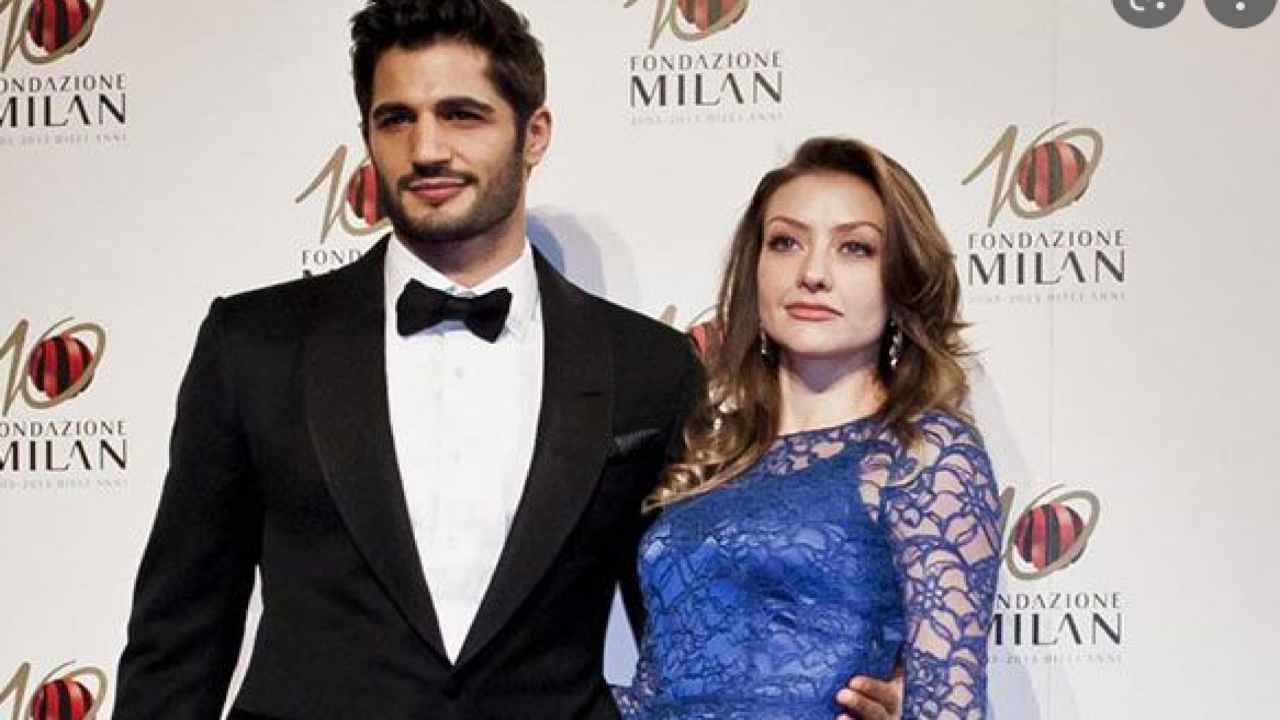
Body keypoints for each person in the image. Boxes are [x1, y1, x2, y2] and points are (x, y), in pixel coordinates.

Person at [112, 1, 901, 717]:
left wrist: (875, 695)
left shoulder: (649, 367)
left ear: (535, 134)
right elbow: (178, 639)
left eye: (462, 115)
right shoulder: (255, 343)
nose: (427, 149)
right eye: (396, 119)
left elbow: (698, 629)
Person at [612, 138, 1002, 719]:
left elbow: (950, 705)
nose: (813, 273)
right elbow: (659, 688)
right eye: (786, 242)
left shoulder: (924, 453)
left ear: (902, 278)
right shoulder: (712, 453)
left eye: (855, 248)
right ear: (755, 267)